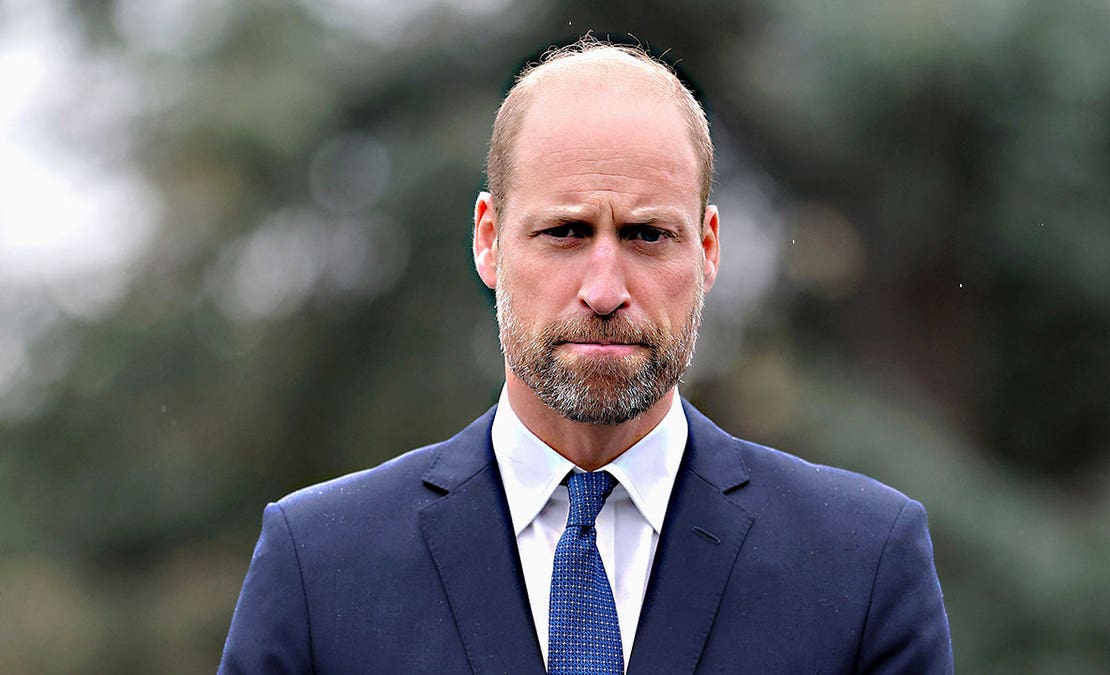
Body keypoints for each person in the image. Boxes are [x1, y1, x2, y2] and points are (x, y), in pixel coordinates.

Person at [219, 37, 953, 674]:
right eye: (566, 232)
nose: (604, 289)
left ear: (707, 248)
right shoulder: (321, 566)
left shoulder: (860, 565)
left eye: (646, 235)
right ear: (487, 239)